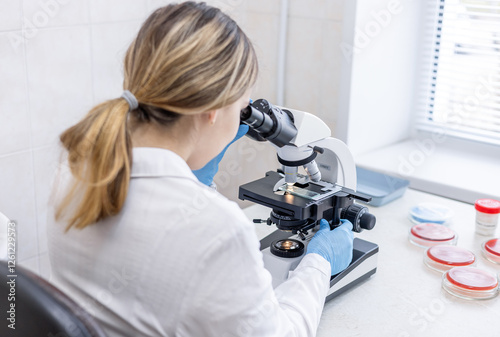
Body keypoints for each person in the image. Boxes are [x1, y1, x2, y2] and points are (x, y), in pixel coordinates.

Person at [47, 2, 354, 336]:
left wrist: (198, 181)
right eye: (242, 107)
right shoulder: (217, 228)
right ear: (213, 111)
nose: (242, 117)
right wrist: (319, 262)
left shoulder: (72, 172)